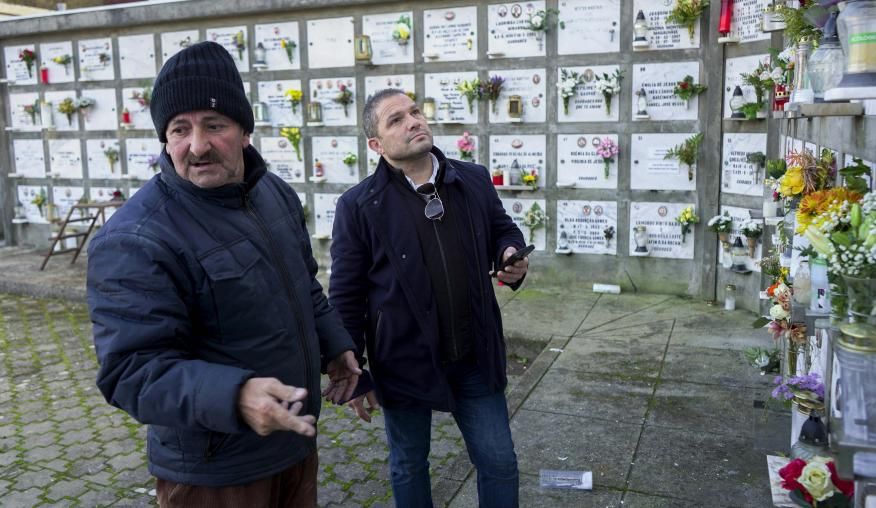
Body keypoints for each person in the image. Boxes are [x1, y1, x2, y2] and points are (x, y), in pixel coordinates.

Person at [86, 41, 361, 507]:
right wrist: (235, 396)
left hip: (293, 442)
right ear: (164, 139)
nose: (197, 146)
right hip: (214, 472)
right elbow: (131, 372)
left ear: (244, 132)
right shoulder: (135, 238)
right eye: (179, 129)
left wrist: (335, 345)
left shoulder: (272, 193)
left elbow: (303, 287)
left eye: (214, 126)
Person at [329, 89, 529, 508]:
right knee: (408, 464)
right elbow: (347, 293)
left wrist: (510, 255)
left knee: (499, 461)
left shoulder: (472, 179)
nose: (414, 122)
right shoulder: (359, 206)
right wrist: (351, 368)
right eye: (396, 119)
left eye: (415, 112)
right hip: (403, 360)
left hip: (475, 353)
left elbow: (503, 230)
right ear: (376, 145)